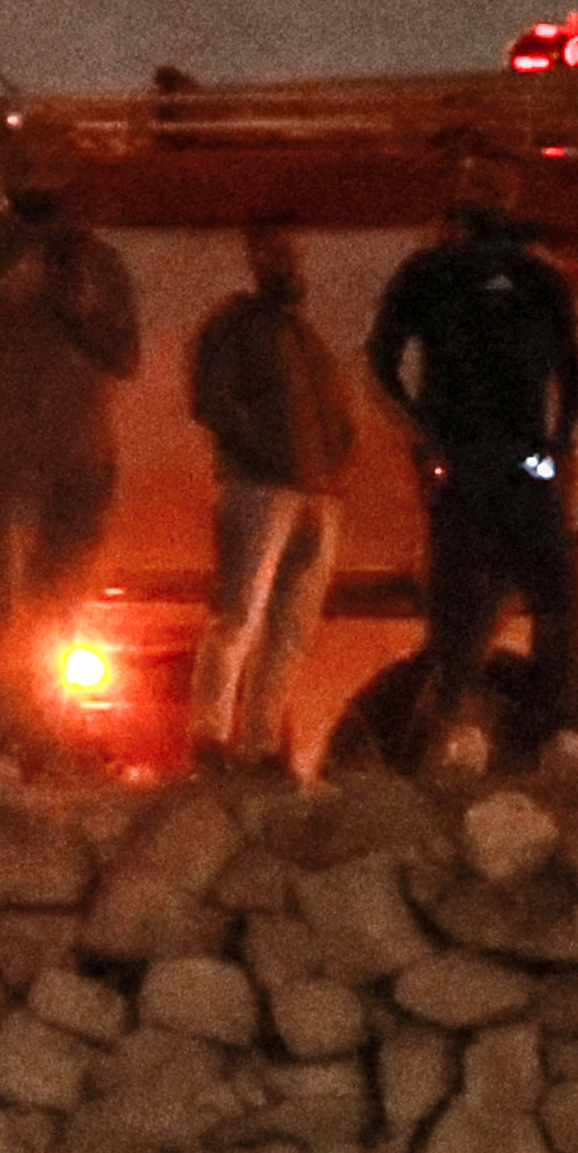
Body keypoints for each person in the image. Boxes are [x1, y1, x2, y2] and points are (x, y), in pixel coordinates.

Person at [367, 153, 578, 765]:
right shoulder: (526, 276)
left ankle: (519, 732)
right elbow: (574, 377)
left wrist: (424, 432)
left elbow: (382, 361)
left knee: (506, 594)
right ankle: (512, 731)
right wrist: (556, 449)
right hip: (503, 458)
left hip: (488, 456)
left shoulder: (438, 272)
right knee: (514, 595)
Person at [0, 171, 138, 766]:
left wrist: (78, 308)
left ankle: (43, 735)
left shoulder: (100, 261)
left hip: (79, 460)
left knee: (59, 607)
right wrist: (4, 298)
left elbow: (125, 354)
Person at [183, 220, 357, 771]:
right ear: (255, 256)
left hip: (314, 495)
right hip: (258, 488)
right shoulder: (236, 327)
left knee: (290, 628)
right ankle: (210, 738)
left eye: (291, 253)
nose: (288, 264)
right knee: (239, 615)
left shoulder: (304, 336)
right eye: (276, 252)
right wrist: (264, 455)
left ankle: (259, 743)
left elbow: (337, 413)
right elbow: (210, 399)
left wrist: (331, 464)